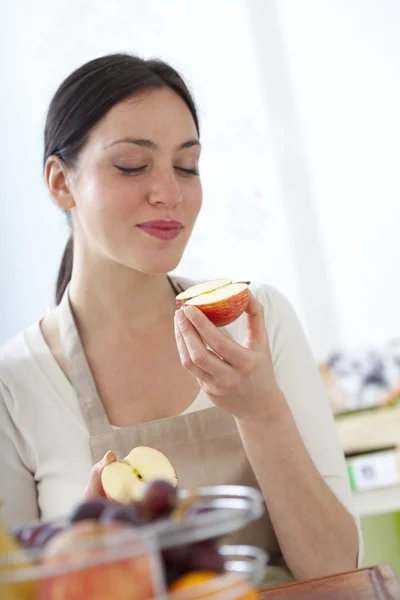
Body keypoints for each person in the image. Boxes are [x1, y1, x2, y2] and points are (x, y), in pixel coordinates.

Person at [0, 53, 360, 580]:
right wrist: (89, 543)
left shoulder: (257, 321)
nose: (169, 193)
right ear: (60, 182)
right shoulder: (16, 383)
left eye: (187, 166)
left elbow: (334, 570)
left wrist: (262, 414)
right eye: (131, 165)